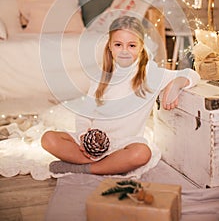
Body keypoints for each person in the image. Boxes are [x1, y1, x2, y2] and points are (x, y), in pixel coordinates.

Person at [41, 15, 200, 176]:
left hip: (124, 145)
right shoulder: (101, 77)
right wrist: (83, 137)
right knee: (48, 139)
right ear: (110, 46)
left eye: (131, 45)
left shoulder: (150, 74)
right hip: (94, 145)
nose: (124, 51)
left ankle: (84, 168)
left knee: (142, 153)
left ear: (141, 47)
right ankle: (104, 164)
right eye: (118, 44)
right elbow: (84, 115)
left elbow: (193, 75)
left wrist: (176, 84)